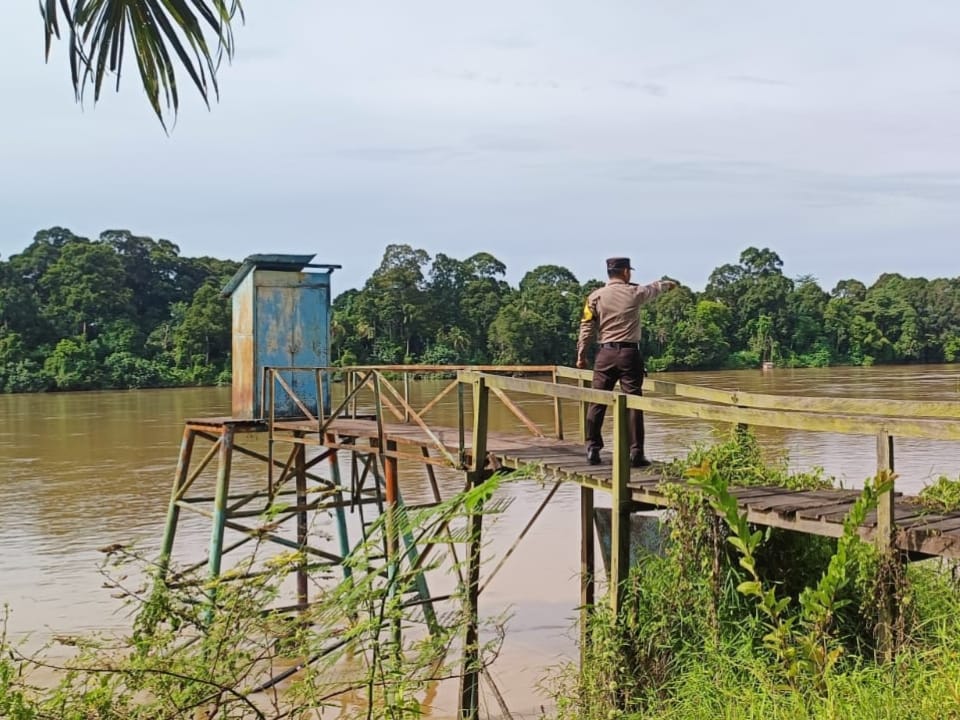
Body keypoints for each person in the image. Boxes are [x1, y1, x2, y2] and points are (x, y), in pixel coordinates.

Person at [576, 257, 677, 467]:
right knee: (633, 402)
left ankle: (592, 448)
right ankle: (636, 453)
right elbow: (654, 288)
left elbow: (586, 328)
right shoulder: (634, 293)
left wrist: (581, 355)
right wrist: (668, 284)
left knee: (598, 401)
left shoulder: (594, 297)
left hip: (605, 354)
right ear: (625, 273)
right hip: (629, 354)